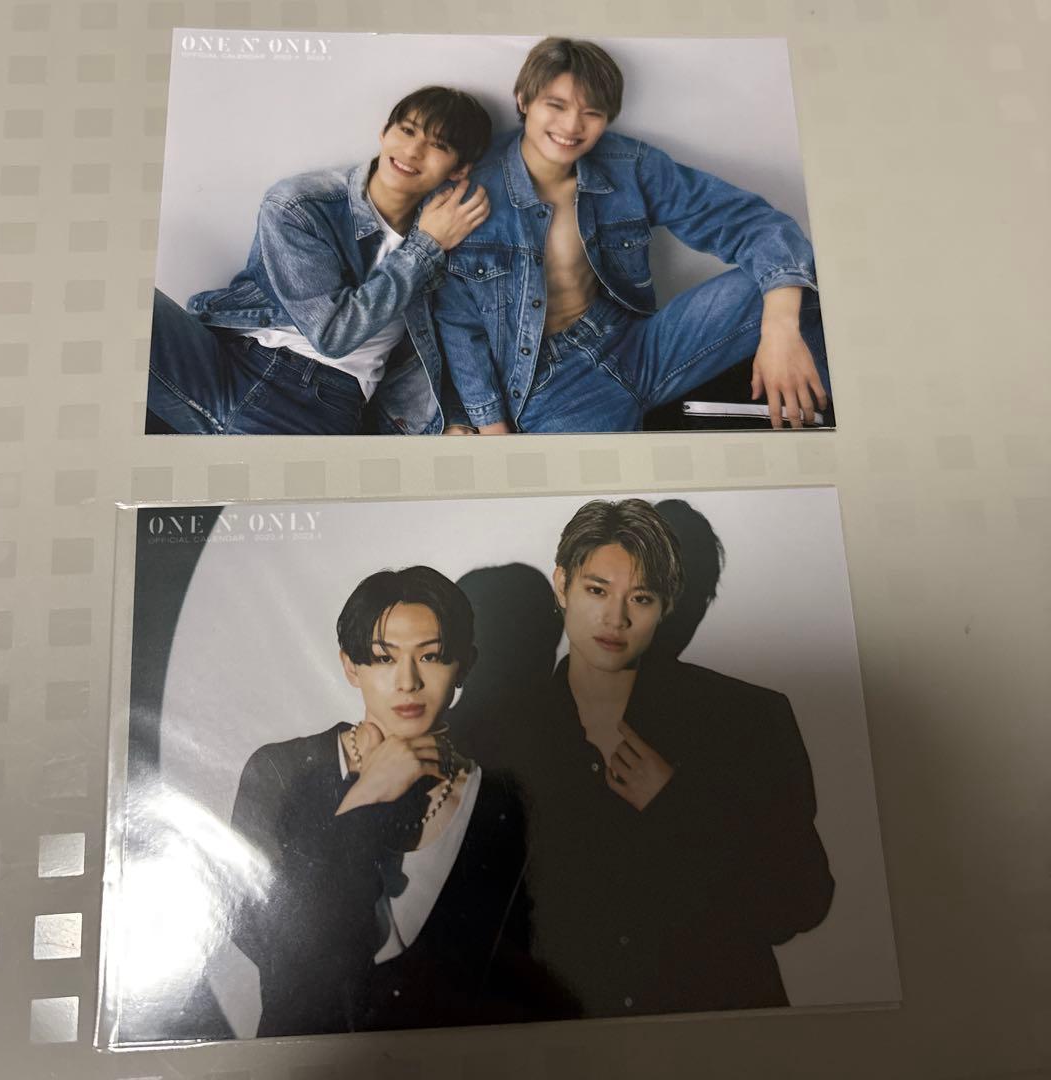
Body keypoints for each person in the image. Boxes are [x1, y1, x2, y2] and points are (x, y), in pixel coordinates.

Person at [524, 499, 835, 1017]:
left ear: (667, 605)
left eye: (640, 598)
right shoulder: (498, 734)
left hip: (716, 1030)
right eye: (597, 590)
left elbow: (799, 904)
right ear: (562, 585)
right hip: (564, 1038)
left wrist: (678, 803)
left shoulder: (746, 719)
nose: (616, 618)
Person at [432, 38, 830, 434]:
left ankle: (827, 420)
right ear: (523, 100)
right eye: (556, 106)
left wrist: (780, 330)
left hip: (636, 343)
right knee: (613, 475)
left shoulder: (627, 165)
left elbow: (751, 223)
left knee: (797, 283)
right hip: (552, 386)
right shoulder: (468, 194)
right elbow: (458, 324)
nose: (572, 126)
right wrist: (493, 431)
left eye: (592, 112)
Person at [228, 567, 533, 1036]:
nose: (407, 681)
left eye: (430, 656)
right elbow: (276, 948)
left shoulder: (499, 801)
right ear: (351, 666)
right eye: (383, 658)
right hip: (311, 1059)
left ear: (463, 665)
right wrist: (366, 795)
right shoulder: (280, 771)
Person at [147, 86, 492, 435]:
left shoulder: (448, 233)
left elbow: (451, 344)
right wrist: (425, 248)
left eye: (438, 146)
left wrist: (456, 418)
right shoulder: (300, 204)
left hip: (314, 402)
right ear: (384, 132)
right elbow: (331, 332)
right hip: (234, 358)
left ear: (459, 170)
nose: (413, 151)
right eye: (407, 130)